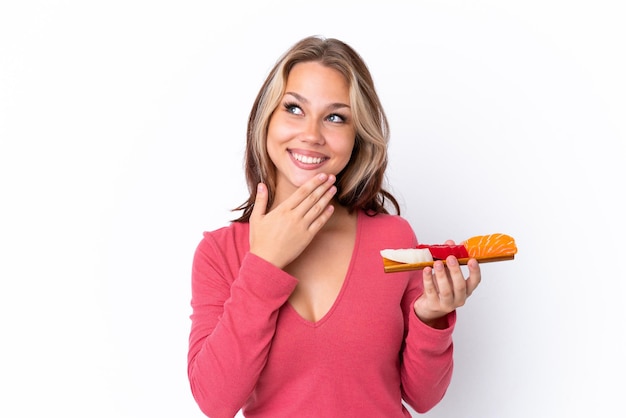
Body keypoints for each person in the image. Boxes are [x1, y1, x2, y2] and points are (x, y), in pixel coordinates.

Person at [187, 35, 482, 418]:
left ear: (357, 138)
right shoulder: (220, 253)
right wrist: (263, 265)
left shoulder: (393, 240)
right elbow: (215, 401)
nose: (311, 134)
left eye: (335, 117)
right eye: (294, 108)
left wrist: (432, 317)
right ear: (265, 120)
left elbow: (423, 397)